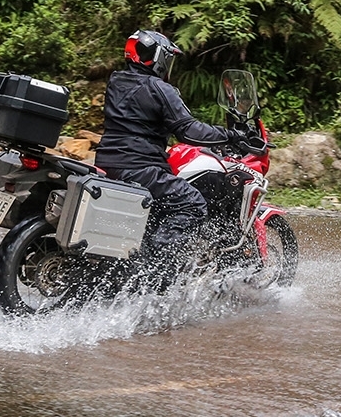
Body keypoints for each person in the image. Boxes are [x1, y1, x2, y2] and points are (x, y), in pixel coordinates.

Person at [94, 30, 248, 271]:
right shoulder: (159, 89)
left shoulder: (116, 81)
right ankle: (158, 270)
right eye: (167, 59)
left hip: (108, 162)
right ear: (156, 58)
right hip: (140, 167)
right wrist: (231, 135)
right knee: (193, 203)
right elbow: (189, 130)